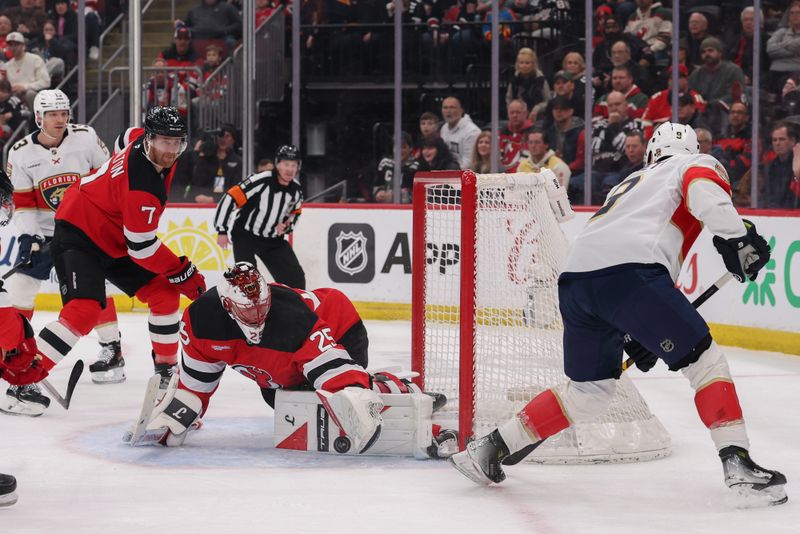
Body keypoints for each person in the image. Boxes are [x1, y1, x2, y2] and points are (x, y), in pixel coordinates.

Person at [449, 122, 787, 507]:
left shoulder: (631, 183)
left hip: (576, 282)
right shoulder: (694, 164)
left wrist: (638, 330)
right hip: (633, 276)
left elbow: (623, 255)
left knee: (588, 391)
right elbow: (703, 195)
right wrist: (738, 236)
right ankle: (738, 463)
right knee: (706, 364)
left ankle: (490, 448)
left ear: (650, 153)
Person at [12, 107, 206, 415]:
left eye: (177, 143)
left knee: (164, 294)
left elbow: (122, 138)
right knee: (85, 309)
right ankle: (21, 382)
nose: (171, 151)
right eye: (165, 143)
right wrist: (182, 271)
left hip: (115, 237)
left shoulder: (140, 137)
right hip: (79, 231)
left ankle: (166, 370)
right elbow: (142, 248)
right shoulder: (142, 188)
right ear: (150, 140)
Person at [135, 262, 383, 451]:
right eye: (248, 309)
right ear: (227, 305)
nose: (257, 316)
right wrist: (180, 414)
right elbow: (197, 382)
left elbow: (331, 365)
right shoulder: (201, 322)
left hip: (340, 329)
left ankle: (383, 383)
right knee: (283, 401)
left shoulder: (292, 318)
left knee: (330, 401)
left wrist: (353, 392)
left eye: (261, 306)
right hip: (282, 367)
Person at [3, 90, 126, 411]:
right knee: (20, 290)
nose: (61, 119)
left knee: (91, 291)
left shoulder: (86, 138)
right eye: (53, 114)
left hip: (82, 229)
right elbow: (25, 203)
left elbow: (110, 177)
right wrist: (29, 237)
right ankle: (13, 350)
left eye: (64, 112)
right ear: (38, 117)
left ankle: (112, 350)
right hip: (43, 232)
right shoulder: (20, 152)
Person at [214, 144, 305, 289]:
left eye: (294, 165)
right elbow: (230, 198)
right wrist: (222, 230)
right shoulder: (260, 180)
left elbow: (295, 212)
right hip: (245, 235)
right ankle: (248, 309)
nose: (290, 169)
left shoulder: (296, 189)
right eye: (286, 164)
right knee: (248, 280)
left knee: (296, 280)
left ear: (298, 168)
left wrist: (287, 226)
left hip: (272, 240)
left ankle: (292, 309)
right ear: (277, 164)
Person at [3, 31, 50, 110]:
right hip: (13, 97)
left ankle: (35, 119)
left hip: (31, 94)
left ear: (23, 45)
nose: (13, 47)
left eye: (16, 44)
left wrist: (25, 87)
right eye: (11, 45)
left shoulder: (35, 59)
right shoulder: (7, 65)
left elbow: (45, 82)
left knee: (30, 94)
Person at [373, 132, 418, 203]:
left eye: (403, 147)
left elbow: (419, 195)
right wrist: (378, 193)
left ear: (410, 149)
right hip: (384, 208)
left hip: (408, 210)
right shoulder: (385, 163)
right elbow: (376, 186)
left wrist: (395, 195)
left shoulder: (416, 167)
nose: (400, 151)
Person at [439, 96, 481, 169]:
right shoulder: (444, 128)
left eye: (452, 107)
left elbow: (469, 163)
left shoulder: (472, 131)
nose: (448, 111)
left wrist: (452, 175)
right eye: (445, 108)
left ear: (461, 110)